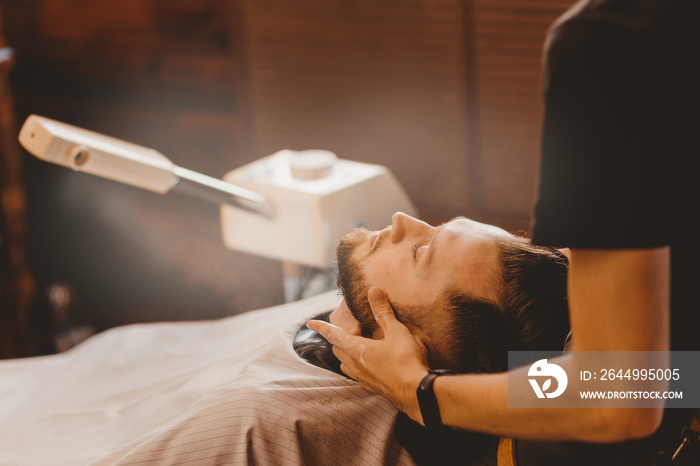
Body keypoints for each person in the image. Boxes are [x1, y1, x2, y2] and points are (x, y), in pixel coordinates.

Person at [309, 1, 699, 464]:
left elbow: (620, 396)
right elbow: (660, 380)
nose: (401, 219)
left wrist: (420, 392)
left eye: (426, 247)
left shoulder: (612, 41)